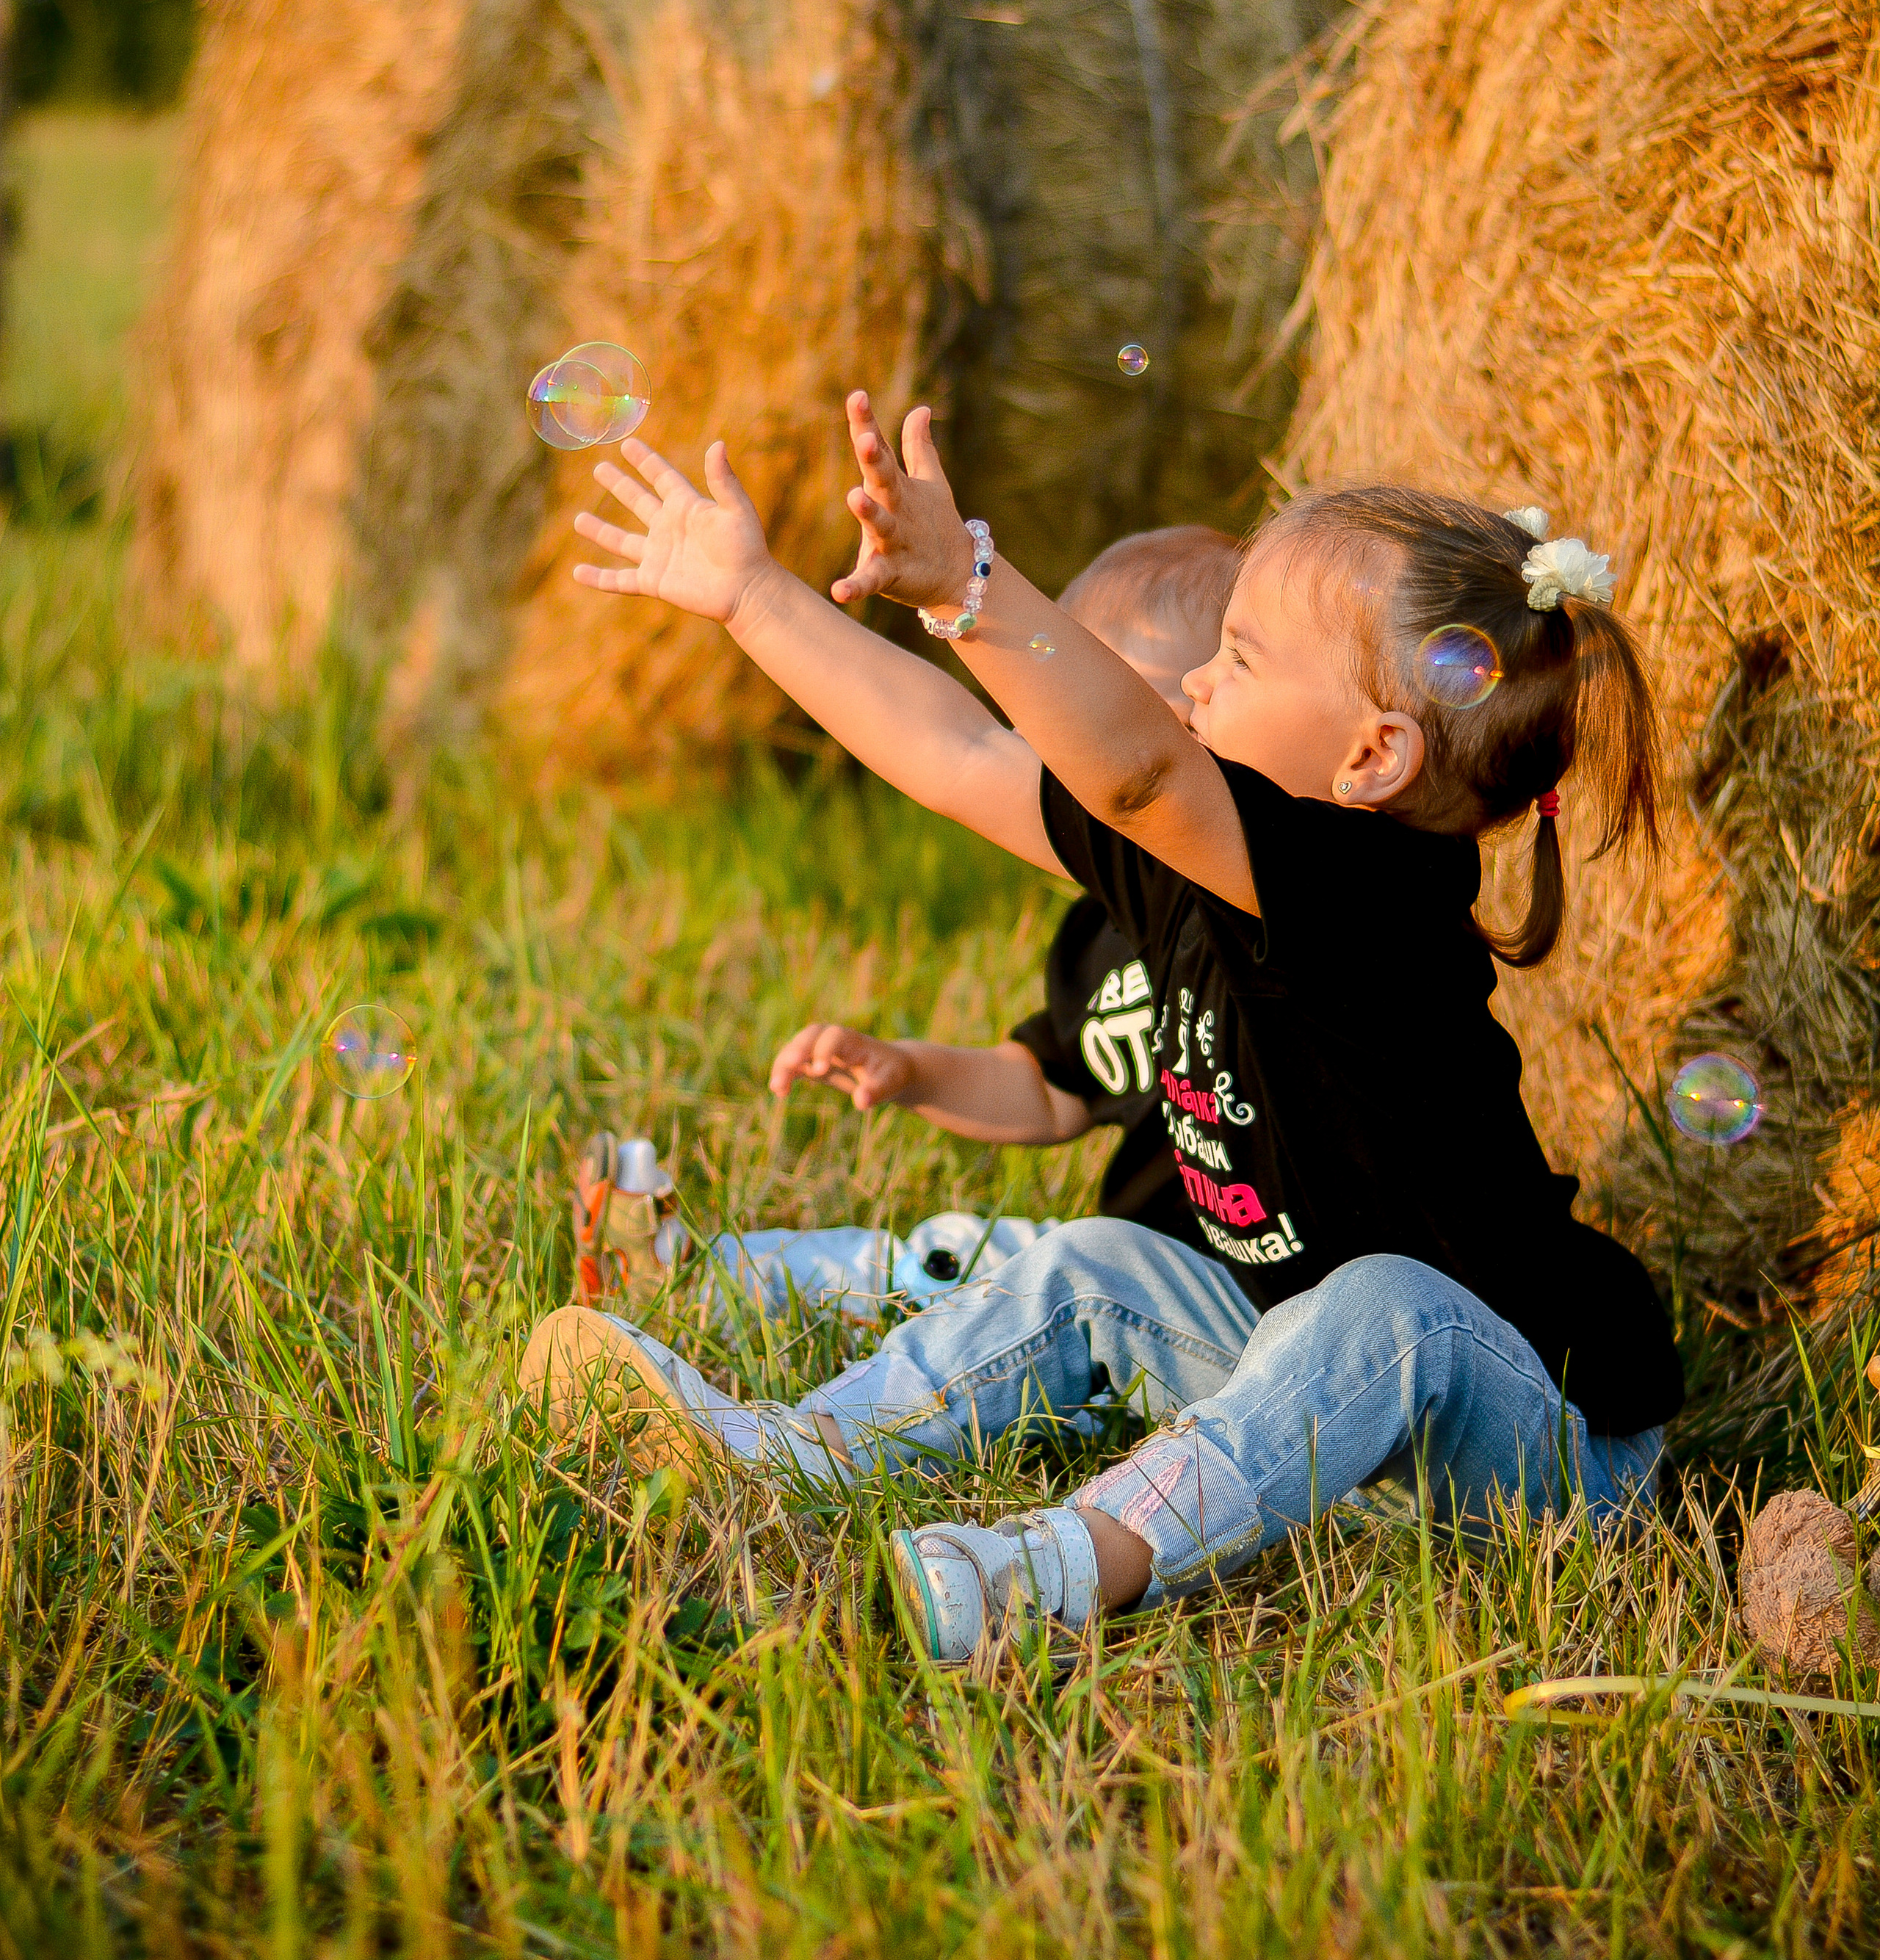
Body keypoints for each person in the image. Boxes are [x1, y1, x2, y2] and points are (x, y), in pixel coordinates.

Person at [524, 395, 1682, 1669]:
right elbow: (965, 751)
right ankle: (790, 1452)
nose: (1195, 681)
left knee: (1388, 1306)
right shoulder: (1189, 884)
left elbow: (1137, 772)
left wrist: (972, 584)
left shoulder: (1378, 898)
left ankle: (1057, 1569)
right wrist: (754, 597)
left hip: (1539, 1448)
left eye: (1239, 660)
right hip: (1315, 1398)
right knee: (1093, 1262)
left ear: (1373, 759)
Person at [569, 526, 1234, 1309]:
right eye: (1050, 723)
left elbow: (965, 750)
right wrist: (911, 1070)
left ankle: (796, 1421)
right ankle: (699, 1278)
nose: (1061, 754)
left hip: (1231, 1309)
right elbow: (1049, 1092)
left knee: (1050, 1277)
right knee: (948, 1256)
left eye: (1104, 717)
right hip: (1127, 1271)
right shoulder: (1101, 934)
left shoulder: (1271, 918)